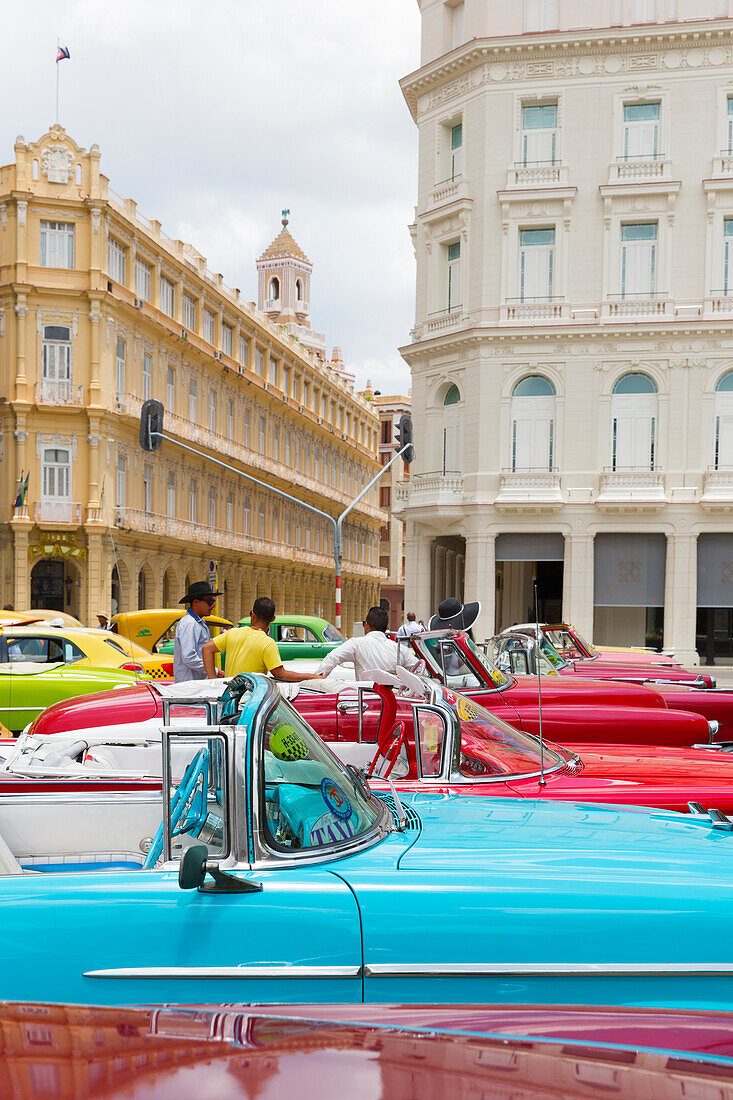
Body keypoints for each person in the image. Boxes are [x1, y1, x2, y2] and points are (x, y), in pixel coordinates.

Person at [202, 596, 316, 682]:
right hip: (250, 699)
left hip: (230, 696)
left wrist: (213, 681)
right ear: (272, 618)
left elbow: (207, 648)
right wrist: (312, 676)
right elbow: (281, 674)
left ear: (253, 615)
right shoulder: (267, 643)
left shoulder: (232, 633)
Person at [315, 605, 422, 682]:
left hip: (366, 703)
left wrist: (316, 677)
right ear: (386, 628)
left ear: (366, 625)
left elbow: (332, 658)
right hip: (395, 702)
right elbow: (419, 670)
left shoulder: (356, 644)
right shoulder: (399, 649)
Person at [174, 581, 221, 682]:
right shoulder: (189, 623)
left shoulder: (198, 623)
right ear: (195, 602)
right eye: (210, 602)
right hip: (190, 687)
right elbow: (189, 657)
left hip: (196, 684)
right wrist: (215, 671)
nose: (213, 606)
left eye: (214, 602)